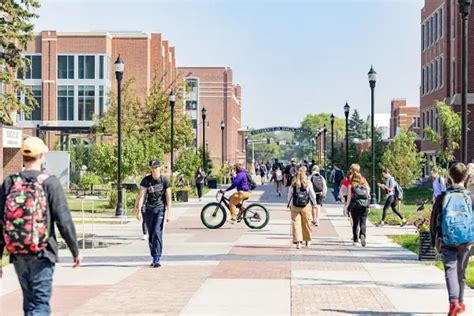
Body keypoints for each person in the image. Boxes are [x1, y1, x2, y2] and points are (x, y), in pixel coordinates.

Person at [0, 137, 82, 315]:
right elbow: (63, 219)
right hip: (42, 251)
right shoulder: (49, 182)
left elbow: (1, 220)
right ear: (42, 155)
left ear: (23, 156)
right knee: (40, 302)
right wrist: (75, 250)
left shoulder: (10, 182)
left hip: (18, 251)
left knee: (29, 302)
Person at [430, 162, 474, 316]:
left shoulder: (442, 197)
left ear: (450, 176)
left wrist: (433, 239)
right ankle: (459, 303)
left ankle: (454, 302)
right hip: (466, 239)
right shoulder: (470, 197)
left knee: (450, 270)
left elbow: (434, 219)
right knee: (461, 272)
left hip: (447, 239)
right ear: (466, 176)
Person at [136, 160, 172, 268]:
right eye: (152, 168)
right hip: (148, 210)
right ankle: (153, 256)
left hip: (160, 209)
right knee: (151, 234)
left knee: (157, 232)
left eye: (156, 167)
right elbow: (141, 195)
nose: (154, 170)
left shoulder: (164, 180)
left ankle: (157, 258)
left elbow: (168, 197)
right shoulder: (146, 180)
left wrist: (169, 213)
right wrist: (138, 210)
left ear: (160, 168)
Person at [288, 166, 317, 249]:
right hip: (306, 205)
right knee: (306, 223)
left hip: (295, 205)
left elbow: (289, 194)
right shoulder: (308, 182)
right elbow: (312, 195)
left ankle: (298, 242)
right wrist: (314, 204)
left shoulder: (294, 182)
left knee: (296, 224)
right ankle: (307, 241)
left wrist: (289, 204)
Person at [344, 164, 370, 246]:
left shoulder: (351, 185)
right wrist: (368, 205)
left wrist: (346, 207)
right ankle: (363, 235)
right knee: (363, 222)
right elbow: (368, 195)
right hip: (364, 205)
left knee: (355, 223)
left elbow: (349, 197)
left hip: (354, 205)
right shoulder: (365, 183)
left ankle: (355, 240)